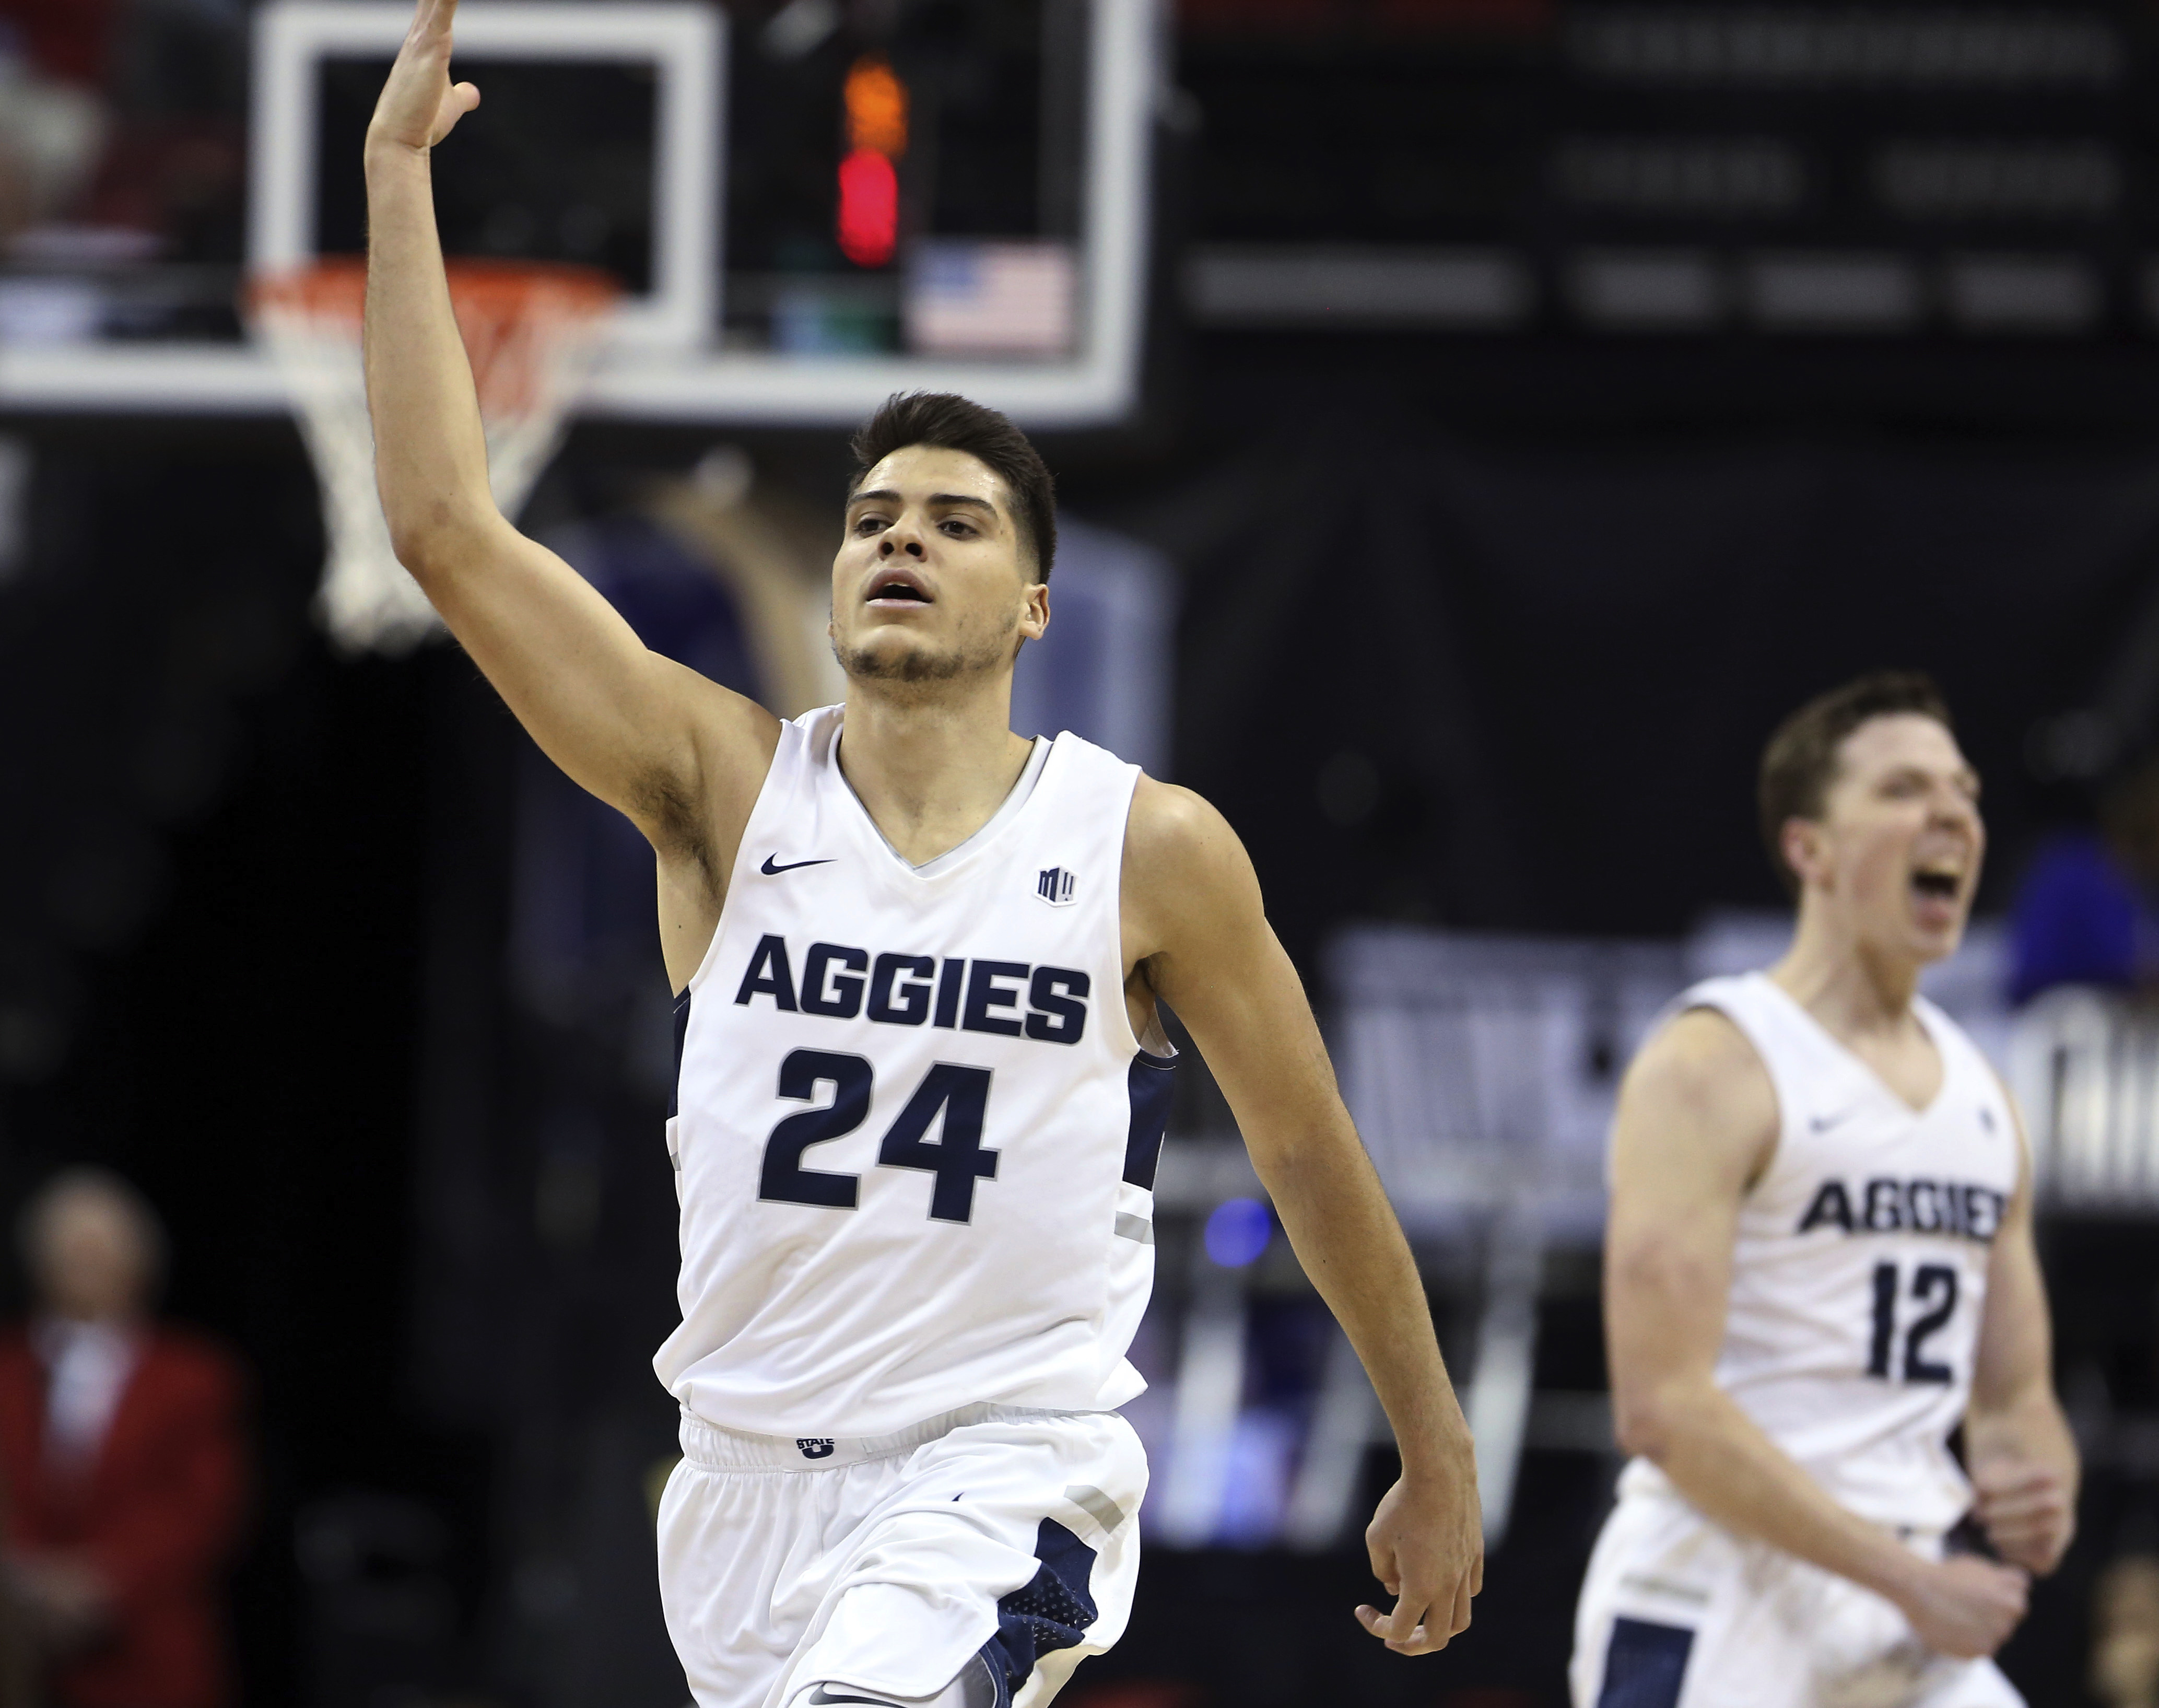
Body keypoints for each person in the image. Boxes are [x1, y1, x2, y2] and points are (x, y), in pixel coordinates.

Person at [358, 5, 1483, 1705]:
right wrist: (394, 181)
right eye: (872, 518)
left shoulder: (1146, 845)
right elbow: (446, 530)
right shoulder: (725, 788)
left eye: (954, 523)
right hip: (736, 1491)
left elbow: (1307, 1153)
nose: (900, 539)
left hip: (999, 1470)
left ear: (1031, 606)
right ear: (831, 582)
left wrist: (1434, 1445)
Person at [1571, 672, 2080, 1708]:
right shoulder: (1715, 1060)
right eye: (1902, 789)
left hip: (1903, 1599)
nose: (1951, 814)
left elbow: (2014, 1402)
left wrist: (2041, 1485)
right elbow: (1660, 1409)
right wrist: (1908, 1580)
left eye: (1964, 791)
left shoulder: (1985, 1096)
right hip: (1720, 1593)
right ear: (1809, 849)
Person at [0, 1168, 247, 1708]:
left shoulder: (193, 1376)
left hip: (146, 1655)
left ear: (141, 1263)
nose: (85, 1265)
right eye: (70, 1251)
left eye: (101, 1251)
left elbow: (203, 1506)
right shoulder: (7, 1370)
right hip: (17, 1653)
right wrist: (29, 1582)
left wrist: (101, 1579)